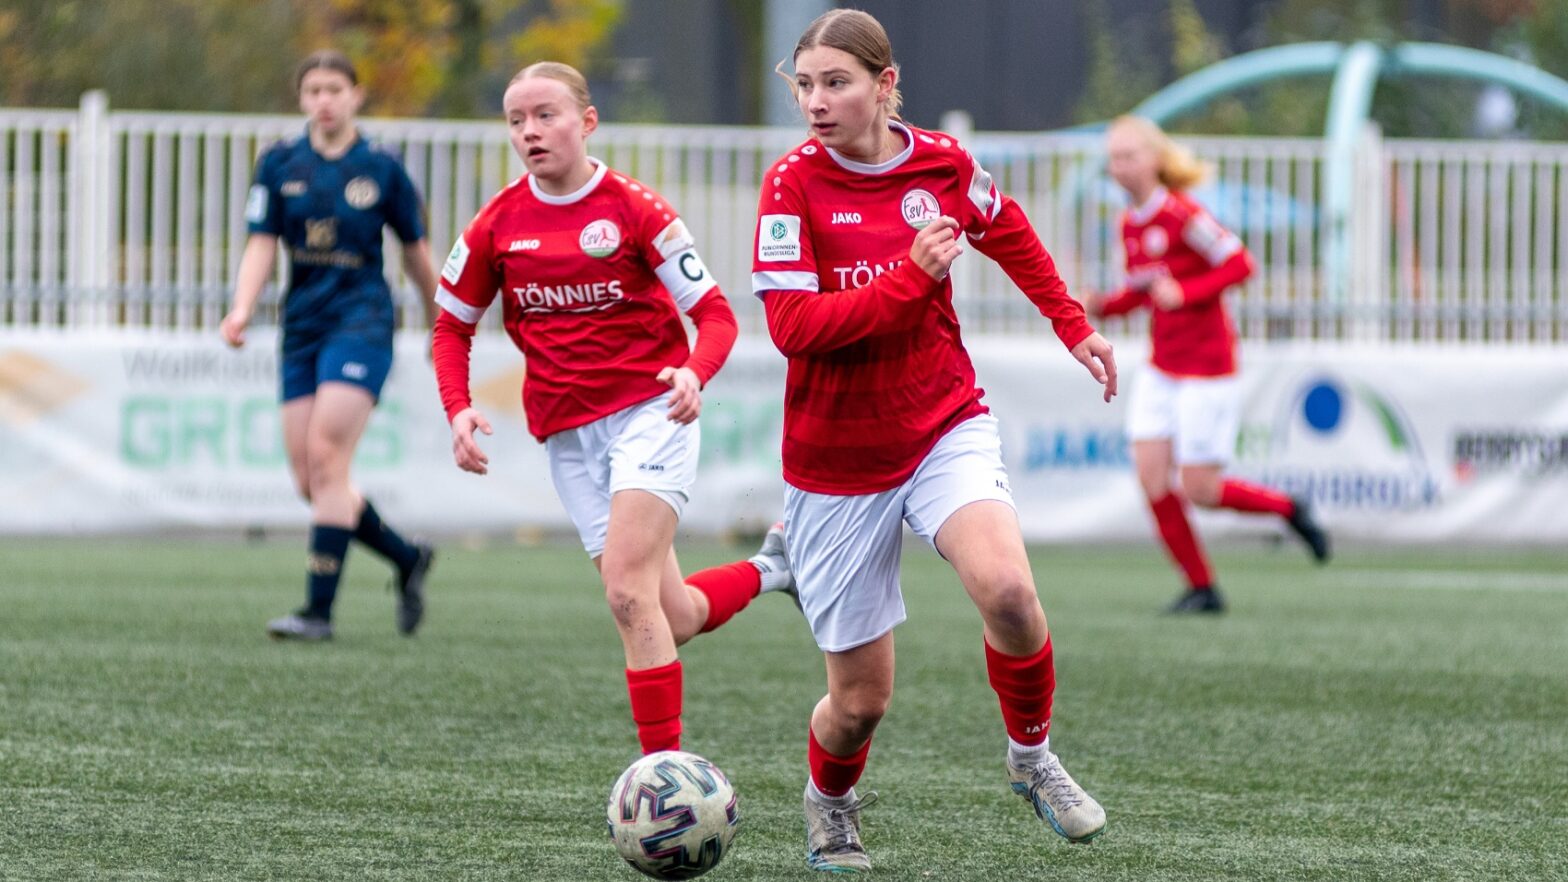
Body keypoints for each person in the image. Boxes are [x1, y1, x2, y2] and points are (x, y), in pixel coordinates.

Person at [754, 10, 1116, 872]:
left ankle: (1031, 757)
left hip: (940, 420)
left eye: (835, 82)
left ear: (886, 84)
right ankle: (830, 805)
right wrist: (910, 279)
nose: (815, 101)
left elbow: (1010, 231)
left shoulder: (944, 166)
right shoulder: (790, 185)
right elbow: (794, 328)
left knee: (1010, 595)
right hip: (835, 461)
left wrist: (1074, 327)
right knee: (860, 703)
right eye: (803, 84)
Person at [431, 61, 794, 757]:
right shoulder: (495, 225)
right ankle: (774, 569)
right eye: (516, 120)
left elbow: (716, 317)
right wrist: (458, 407)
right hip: (568, 436)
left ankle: (664, 782)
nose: (530, 132)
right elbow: (451, 327)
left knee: (627, 594)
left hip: (651, 415)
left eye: (546, 115)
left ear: (587, 122)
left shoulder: (636, 209)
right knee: (673, 613)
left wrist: (694, 373)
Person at [221, 51, 437, 641]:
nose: (324, 99)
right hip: (303, 328)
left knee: (327, 458)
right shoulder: (279, 163)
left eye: (335, 88)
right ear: (302, 99)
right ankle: (406, 557)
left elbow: (415, 253)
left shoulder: (384, 169)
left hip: (362, 323)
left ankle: (318, 612)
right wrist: (241, 307)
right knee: (309, 479)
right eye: (313, 89)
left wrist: (441, 318)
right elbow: (261, 243)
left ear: (356, 96)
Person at [1085, 115, 1330, 615]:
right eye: (1114, 157)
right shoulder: (1128, 224)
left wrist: (1188, 291)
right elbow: (1146, 292)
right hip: (1162, 366)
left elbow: (1241, 263)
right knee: (1152, 475)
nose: (1120, 166)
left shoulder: (1182, 215)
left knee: (1202, 489)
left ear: (1155, 159)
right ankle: (1202, 587)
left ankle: (1290, 509)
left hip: (1208, 367)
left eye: (1129, 155)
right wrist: (1103, 305)